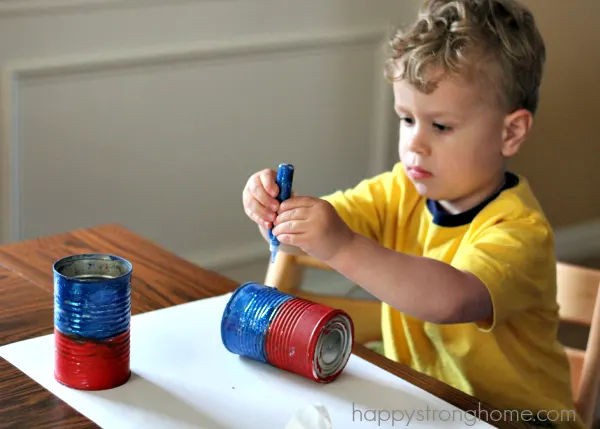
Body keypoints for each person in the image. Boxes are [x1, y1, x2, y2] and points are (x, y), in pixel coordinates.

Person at [242, 0, 582, 427]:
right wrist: (274, 211)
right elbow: (303, 237)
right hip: (424, 407)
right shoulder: (400, 189)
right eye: (406, 119)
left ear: (510, 132)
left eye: (440, 126)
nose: (415, 145)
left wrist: (341, 244)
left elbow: (448, 299)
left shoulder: (520, 231)